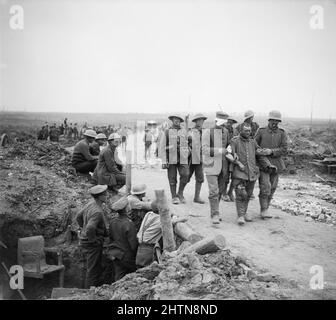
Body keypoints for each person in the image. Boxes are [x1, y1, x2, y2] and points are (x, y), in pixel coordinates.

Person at [227, 123, 272, 225]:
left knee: (247, 194)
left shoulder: (252, 141)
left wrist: (267, 152)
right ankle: (240, 216)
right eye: (246, 131)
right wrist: (237, 163)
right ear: (241, 131)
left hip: (251, 173)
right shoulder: (234, 141)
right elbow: (228, 154)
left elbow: (258, 151)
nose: (248, 132)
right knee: (240, 194)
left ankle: (244, 212)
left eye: (249, 130)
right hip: (239, 172)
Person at [255, 110, 288, 219]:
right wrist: (261, 152)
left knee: (272, 187)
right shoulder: (261, 131)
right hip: (263, 164)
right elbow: (254, 145)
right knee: (265, 187)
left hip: (276, 164)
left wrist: (271, 151)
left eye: (277, 121)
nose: (275, 123)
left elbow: (284, 149)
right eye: (273, 120)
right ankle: (263, 210)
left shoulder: (282, 133)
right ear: (269, 120)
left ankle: (266, 208)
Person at [76, 185, 109, 288]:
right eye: (105, 194)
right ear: (100, 197)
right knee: (93, 269)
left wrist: (83, 228)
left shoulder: (90, 204)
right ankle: (89, 293)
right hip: (91, 244)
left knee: (88, 267)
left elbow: (78, 216)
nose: (107, 195)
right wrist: (92, 239)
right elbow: (90, 228)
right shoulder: (97, 212)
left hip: (85, 241)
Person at [135, 202, 187, 268]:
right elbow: (176, 221)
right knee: (147, 269)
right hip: (148, 250)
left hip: (140, 248)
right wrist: (179, 217)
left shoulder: (148, 214)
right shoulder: (161, 221)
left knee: (141, 269)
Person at [202, 111, 230, 224]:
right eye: (221, 123)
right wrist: (220, 151)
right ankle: (215, 214)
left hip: (223, 166)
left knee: (220, 190)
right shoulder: (207, 132)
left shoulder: (226, 132)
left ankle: (215, 211)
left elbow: (228, 146)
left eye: (224, 124)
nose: (223, 126)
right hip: (211, 165)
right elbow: (204, 150)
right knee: (213, 191)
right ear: (216, 121)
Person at [159, 114, 190, 204]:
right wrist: (164, 160)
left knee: (186, 174)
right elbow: (162, 147)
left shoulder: (184, 131)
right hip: (171, 158)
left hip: (182, 157)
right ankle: (174, 197)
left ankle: (180, 193)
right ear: (172, 120)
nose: (177, 120)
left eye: (179, 119)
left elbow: (188, 143)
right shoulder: (167, 132)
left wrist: (187, 151)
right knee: (172, 178)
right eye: (175, 119)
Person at [107, 196, 138, 281]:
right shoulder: (129, 224)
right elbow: (133, 244)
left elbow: (110, 237)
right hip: (126, 255)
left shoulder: (113, 222)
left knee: (119, 275)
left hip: (115, 253)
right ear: (126, 208)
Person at [188, 113, 207, 204]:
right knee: (186, 177)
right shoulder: (191, 131)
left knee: (200, 178)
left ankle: (196, 197)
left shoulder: (205, 131)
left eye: (202, 120)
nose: (200, 122)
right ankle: (179, 194)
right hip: (191, 158)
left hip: (200, 159)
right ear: (195, 121)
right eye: (198, 120)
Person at [222, 115, 238, 202]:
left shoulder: (235, 131)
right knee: (225, 175)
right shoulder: (222, 130)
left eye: (231, 122)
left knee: (235, 175)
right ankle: (223, 193)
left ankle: (230, 192)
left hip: (233, 154)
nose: (229, 124)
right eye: (228, 122)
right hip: (224, 155)